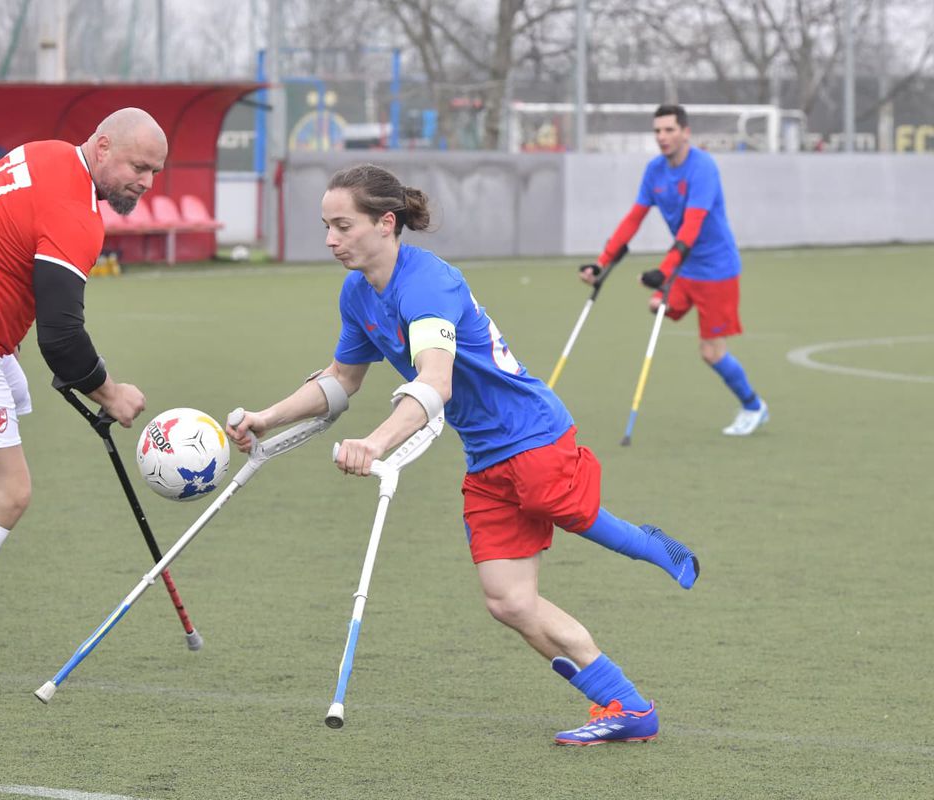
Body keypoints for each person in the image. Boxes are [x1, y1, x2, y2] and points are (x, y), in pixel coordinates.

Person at [227, 163, 700, 745]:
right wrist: (264, 419)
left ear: (386, 223)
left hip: (533, 433)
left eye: (343, 226)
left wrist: (375, 444)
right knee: (508, 601)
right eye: (326, 226)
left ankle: (652, 545)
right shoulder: (358, 293)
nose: (330, 239)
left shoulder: (428, 283)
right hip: (485, 455)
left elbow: (435, 382)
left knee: (567, 510)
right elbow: (340, 381)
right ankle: (626, 707)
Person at [0, 108, 168, 684]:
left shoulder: (41, 151)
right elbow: (62, 339)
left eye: (155, 172)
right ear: (103, 144)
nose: (145, 181)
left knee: (10, 412)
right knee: (7, 491)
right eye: (139, 166)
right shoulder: (76, 214)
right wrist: (109, 393)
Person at [580, 103, 768, 436]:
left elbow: (691, 229)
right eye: (657, 131)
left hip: (716, 270)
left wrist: (663, 272)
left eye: (669, 130)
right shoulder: (655, 171)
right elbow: (633, 219)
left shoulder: (703, 168)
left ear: (685, 132)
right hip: (685, 269)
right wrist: (601, 261)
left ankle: (754, 406)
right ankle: (752, 405)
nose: (662, 137)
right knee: (657, 304)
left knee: (710, 352)